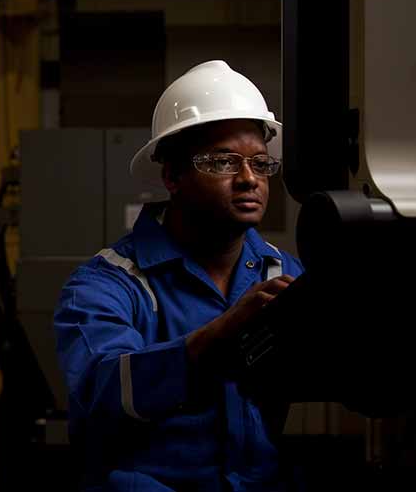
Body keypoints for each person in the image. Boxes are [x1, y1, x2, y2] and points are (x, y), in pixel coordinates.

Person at [54, 60, 304, 492]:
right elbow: (104, 389)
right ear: (172, 175)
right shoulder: (108, 285)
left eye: (260, 164)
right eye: (224, 162)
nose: (248, 179)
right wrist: (221, 335)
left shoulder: (280, 271)